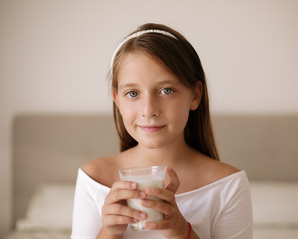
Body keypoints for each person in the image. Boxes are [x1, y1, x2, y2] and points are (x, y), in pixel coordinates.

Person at [71, 23, 252, 239]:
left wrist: (182, 232)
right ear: (117, 99)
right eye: (132, 93)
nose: (149, 110)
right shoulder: (95, 178)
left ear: (195, 95)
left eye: (166, 90)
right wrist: (109, 231)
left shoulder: (228, 185)